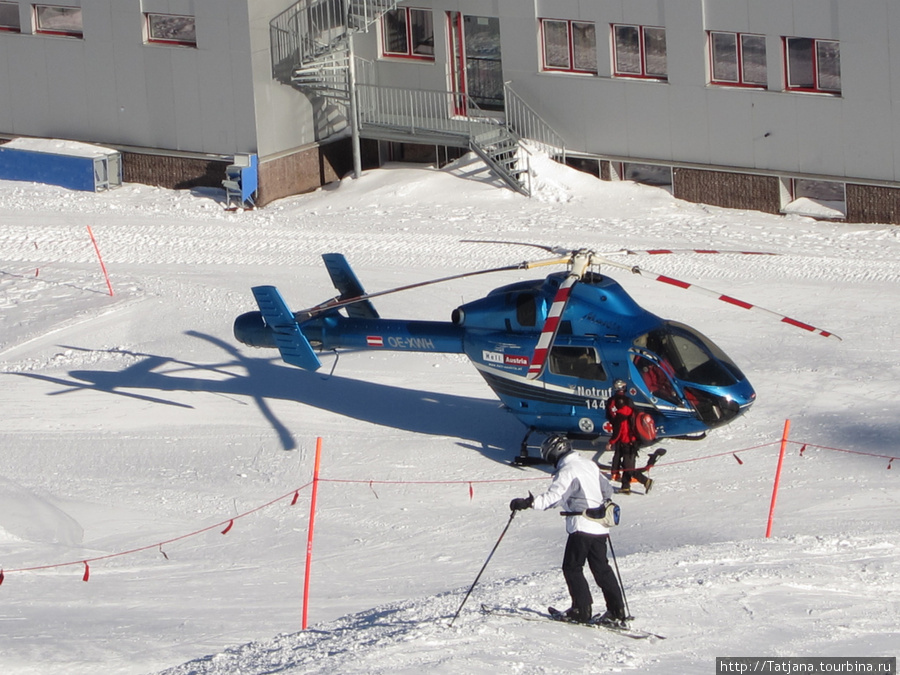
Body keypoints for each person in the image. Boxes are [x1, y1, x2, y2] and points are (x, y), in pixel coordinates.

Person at [509, 435, 627, 626]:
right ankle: (617, 611)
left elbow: (555, 497)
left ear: (555, 452)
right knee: (601, 568)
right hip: (600, 526)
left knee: (572, 567)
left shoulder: (568, 470)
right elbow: (607, 490)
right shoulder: (589, 465)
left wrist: (528, 503)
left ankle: (581, 610)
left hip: (582, 525)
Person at [605, 379, 652, 495]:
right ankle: (625, 486)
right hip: (631, 440)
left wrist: (611, 441)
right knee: (627, 464)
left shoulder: (616, 404)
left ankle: (645, 481)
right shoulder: (629, 402)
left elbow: (619, 427)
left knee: (628, 467)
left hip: (627, 440)